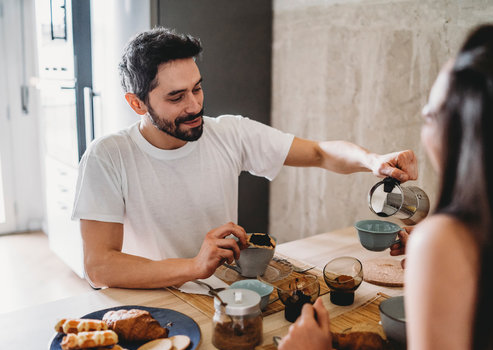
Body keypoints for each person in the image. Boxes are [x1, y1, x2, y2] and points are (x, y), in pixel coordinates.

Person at [72, 27, 418, 290]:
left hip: (227, 296)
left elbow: (319, 152)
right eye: (176, 97)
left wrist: (373, 160)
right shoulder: (108, 157)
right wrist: (195, 266)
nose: (194, 106)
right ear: (137, 104)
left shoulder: (229, 133)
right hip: (153, 302)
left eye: (197, 88)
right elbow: (100, 265)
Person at [277, 24, 493, 350]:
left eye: (432, 113)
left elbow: (318, 152)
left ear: (468, 130)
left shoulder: (447, 240)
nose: (422, 116)